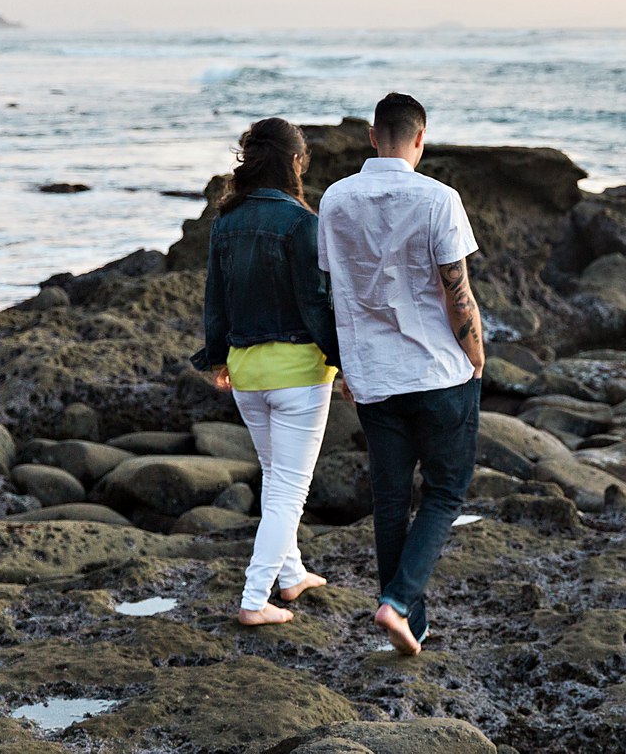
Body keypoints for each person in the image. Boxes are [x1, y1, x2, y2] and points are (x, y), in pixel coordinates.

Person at [317, 92, 483, 656]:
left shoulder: (336, 200)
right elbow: (457, 292)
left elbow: (331, 288)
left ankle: (410, 623)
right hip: (440, 370)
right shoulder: (440, 198)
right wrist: (476, 356)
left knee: (390, 500)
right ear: (420, 139)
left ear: (372, 136)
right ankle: (399, 602)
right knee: (443, 494)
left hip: (374, 376)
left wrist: (341, 363)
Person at [195, 117, 340, 627]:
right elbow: (317, 303)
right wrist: (343, 361)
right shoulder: (303, 222)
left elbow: (217, 299)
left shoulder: (226, 220)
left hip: (246, 374)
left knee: (277, 477)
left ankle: (292, 575)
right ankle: (255, 598)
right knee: (289, 489)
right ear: (294, 162)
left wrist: (217, 358)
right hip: (299, 372)